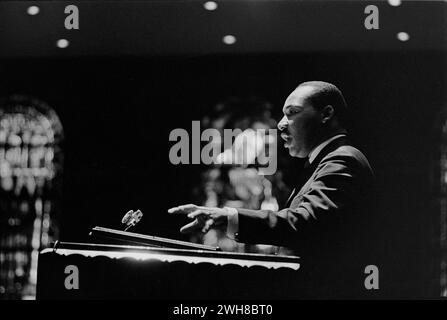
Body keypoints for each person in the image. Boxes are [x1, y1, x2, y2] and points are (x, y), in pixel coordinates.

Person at [169, 81, 376, 296]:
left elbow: (305, 223)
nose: (281, 124)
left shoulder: (343, 159)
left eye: (292, 113)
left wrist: (229, 216)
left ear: (326, 114)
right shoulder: (324, 162)